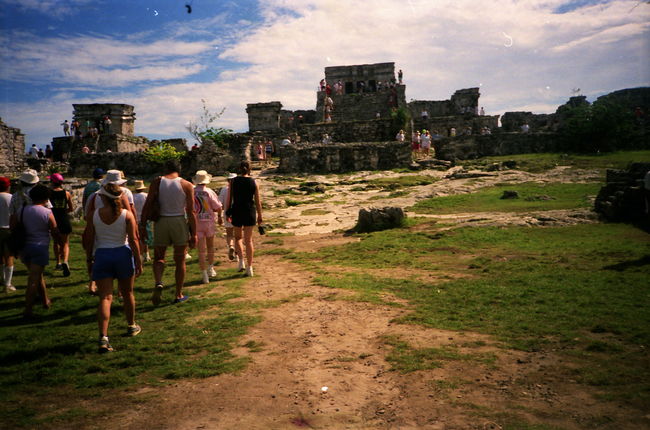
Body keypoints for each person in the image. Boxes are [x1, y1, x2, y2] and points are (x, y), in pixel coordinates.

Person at [83, 183, 142, 353]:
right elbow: (133, 240)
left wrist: (89, 259)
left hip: (102, 254)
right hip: (122, 253)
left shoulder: (95, 214)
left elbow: (89, 238)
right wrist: (138, 260)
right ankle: (131, 325)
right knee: (128, 292)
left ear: (103, 198)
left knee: (105, 297)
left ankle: (103, 336)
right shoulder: (126, 215)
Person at [140, 159, 197, 304]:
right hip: (178, 220)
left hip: (161, 221)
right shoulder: (187, 185)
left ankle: (159, 281)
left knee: (159, 256)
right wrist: (194, 233)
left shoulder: (157, 182)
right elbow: (191, 212)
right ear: (179, 169)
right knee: (180, 260)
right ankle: (178, 294)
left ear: (166, 168)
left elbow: (148, 204)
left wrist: (143, 225)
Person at [18, 184, 61, 318]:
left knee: (37, 275)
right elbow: (54, 229)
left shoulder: (22, 209)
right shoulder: (46, 212)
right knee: (33, 279)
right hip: (39, 246)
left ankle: (45, 301)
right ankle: (28, 310)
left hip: (24, 246)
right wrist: (59, 242)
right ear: (46, 198)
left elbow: (13, 225)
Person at [224, 161, 263, 277]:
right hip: (249, 211)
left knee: (238, 238)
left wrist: (227, 212)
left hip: (237, 210)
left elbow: (229, 198)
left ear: (239, 169)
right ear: (249, 169)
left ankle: (241, 261)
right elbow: (257, 201)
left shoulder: (233, 181)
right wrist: (260, 216)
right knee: (249, 240)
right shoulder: (254, 182)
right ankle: (250, 267)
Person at [193, 170, 222, 284]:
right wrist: (219, 216)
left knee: (201, 250)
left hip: (197, 222)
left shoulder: (192, 192)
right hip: (208, 221)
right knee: (210, 247)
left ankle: (204, 274)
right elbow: (218, 206)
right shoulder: (209, 192)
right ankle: (211, 268)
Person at [49, 173, 74, 276]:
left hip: (54, 220)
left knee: (56, 242)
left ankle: (58, 262)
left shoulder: (49, 193)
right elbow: (71, 208)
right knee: (65, 243)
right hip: (64, 219)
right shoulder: (66, 193)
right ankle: (65, 261)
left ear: (52, 182)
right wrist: (63, 211)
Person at [218, 173, 237, 262]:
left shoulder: (224, 190)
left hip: (228, 214)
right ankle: (237, 254)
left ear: (228, 181)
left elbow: (220, 204)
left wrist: (219, 215)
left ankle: (231, 246)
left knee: (229, 234)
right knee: (238, 235)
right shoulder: (239, 189)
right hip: (238, 214)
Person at [0, 177, 15, 293]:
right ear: (8, 186)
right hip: (8, 228)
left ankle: (3, 279)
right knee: (9, 256)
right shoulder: (11, 198)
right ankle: (8, 284)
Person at [132, 180, 151, 262]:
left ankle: (140, 254)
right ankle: (146, 254)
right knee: (145, 237)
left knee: (137, 237)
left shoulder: (132, 196)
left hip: (135, 219)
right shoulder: (146, 196)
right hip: (144, 219)